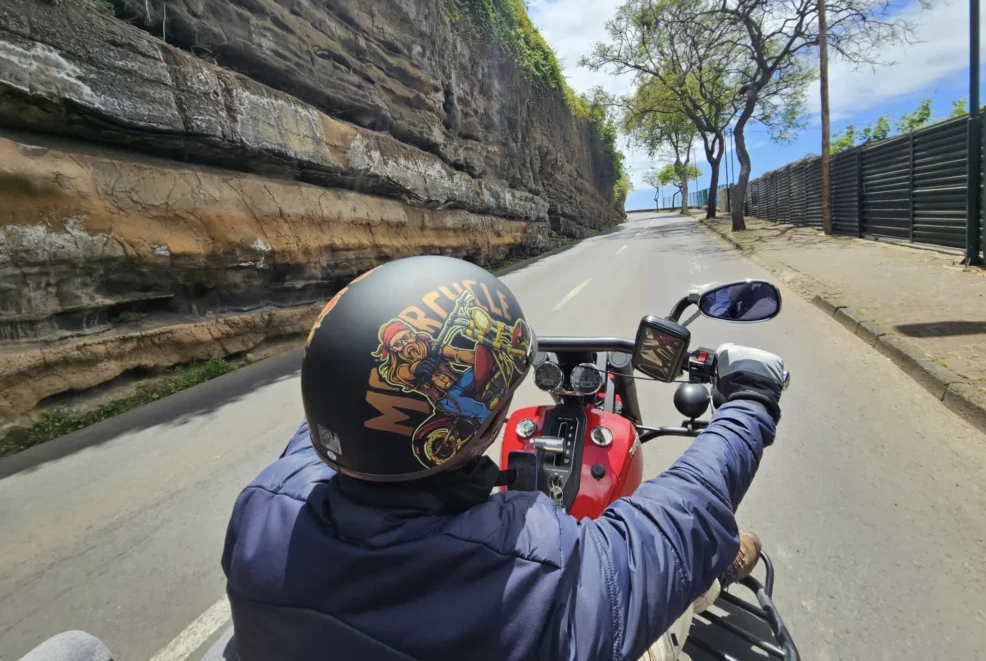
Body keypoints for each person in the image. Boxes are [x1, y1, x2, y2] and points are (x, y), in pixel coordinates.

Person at [221, 256, 786, 661]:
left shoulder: (262, 512)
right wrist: (752, 401)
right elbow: (677, 520)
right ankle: (712, 576)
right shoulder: (528, 580)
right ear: (483, 423)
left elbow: (349, 403)